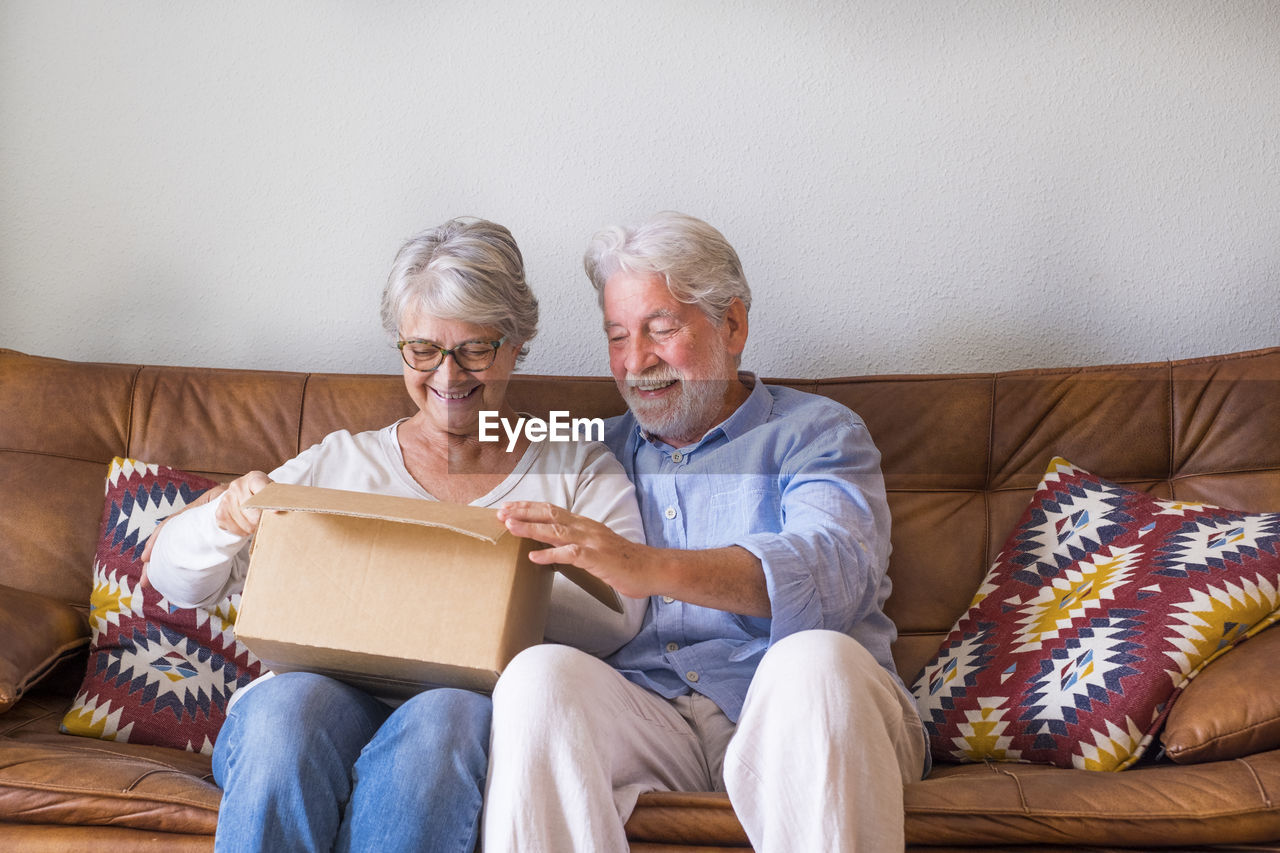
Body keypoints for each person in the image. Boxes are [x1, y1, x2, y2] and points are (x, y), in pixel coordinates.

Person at [143, 218, 646, 853]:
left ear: (517, 344)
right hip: (311, 703)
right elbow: (172, 581)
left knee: (447, 715)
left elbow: (621, 616)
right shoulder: (343, 462)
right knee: (284, 715)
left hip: (460, 709)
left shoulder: (573, 465)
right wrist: (224, 517)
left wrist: (505, 572)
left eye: (475, 349)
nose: (448, 375)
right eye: (424, 350)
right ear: (398, 345)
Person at [485, 211, 927, 852]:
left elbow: (834, 569)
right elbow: (463, 456)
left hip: (801, 716)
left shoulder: (818, 433)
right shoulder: (592, 451)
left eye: (661, 330)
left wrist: (650, 566)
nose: (636, 362)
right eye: (616, 336)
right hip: (651, 720)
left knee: (813, 660)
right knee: (537, 678)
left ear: (734, 325)